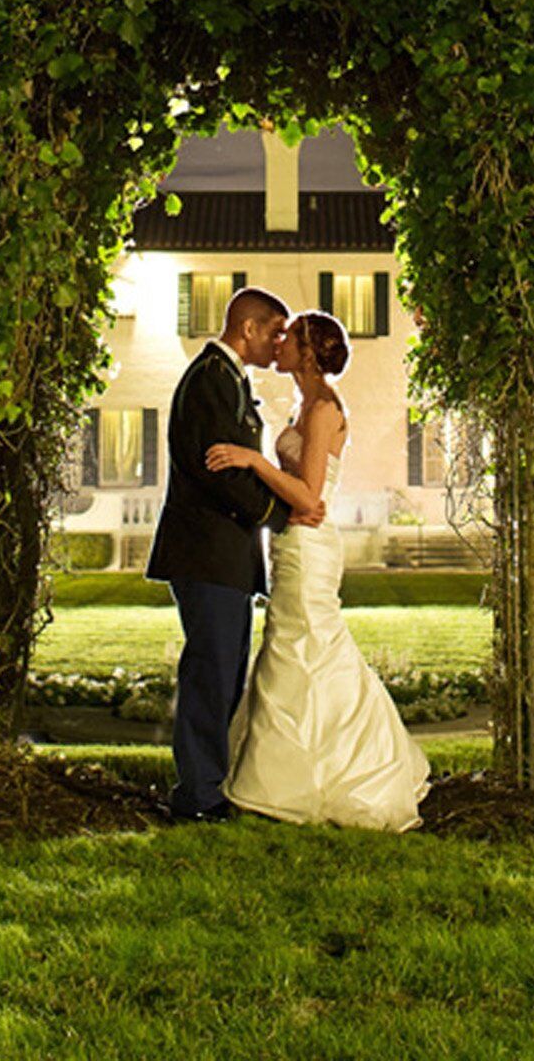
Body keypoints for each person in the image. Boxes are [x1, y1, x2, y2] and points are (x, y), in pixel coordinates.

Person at [207, 308, 432, 830]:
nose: (278, 343)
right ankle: (289, 772)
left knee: (307, 646)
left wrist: (253, 461)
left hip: (309, 545)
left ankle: (334, 774)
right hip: (292, 540)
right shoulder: (303, 405)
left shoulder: (324, 408)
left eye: (288, 338)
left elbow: (310, 496)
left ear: (307, 353)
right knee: (292, 647)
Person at [146, 286, 316, 821]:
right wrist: (283, 514)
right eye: (274, 331)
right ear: (248, 329)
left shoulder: (226, 380)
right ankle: (197, 797)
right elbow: (218, 471)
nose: (278, 343)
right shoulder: (209, 381)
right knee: (211, 672)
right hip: (207, 551)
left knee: (223, 671)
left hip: (224, 554)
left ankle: (207, 786)